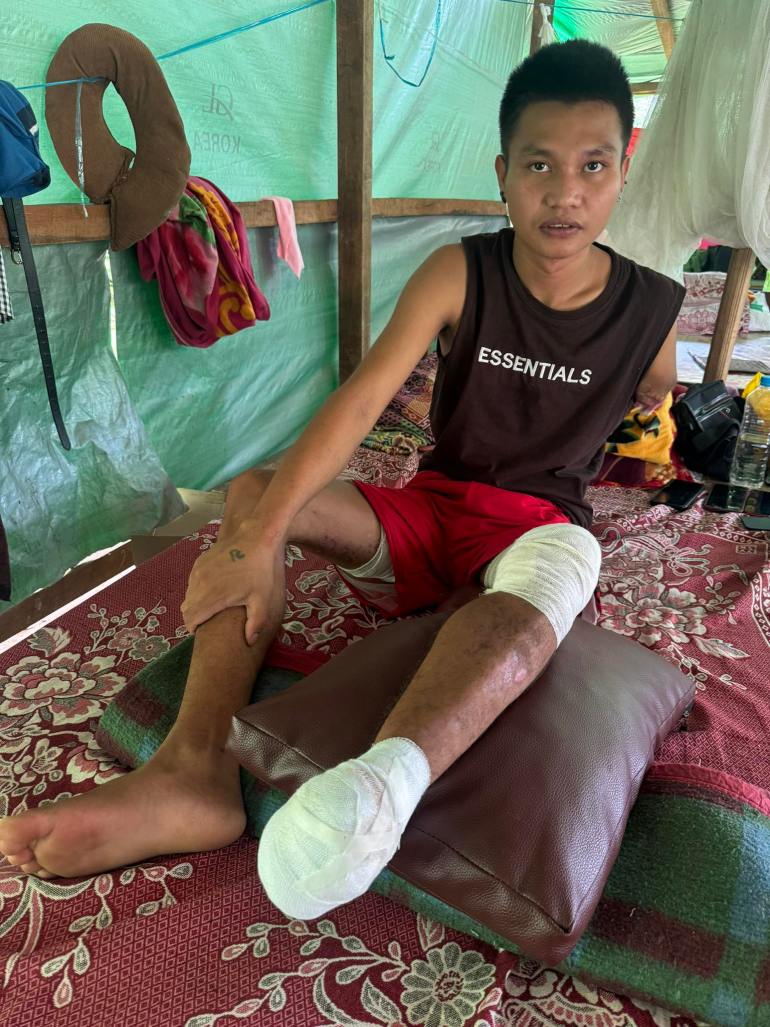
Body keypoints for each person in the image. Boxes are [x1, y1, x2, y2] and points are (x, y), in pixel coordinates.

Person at [0, 40, 684, 919]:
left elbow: (657, 399)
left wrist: (647, 424)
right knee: (252, 495)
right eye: (539, 165)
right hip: (429, 519)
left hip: (532, 541)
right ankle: (192, 769)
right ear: (503, 174)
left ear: (623, 170)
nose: (566, 192)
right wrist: (251, 542)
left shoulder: (654, 309)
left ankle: (383, 784)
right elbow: (362, 403)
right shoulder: (460, 270)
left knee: (575, 553)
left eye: (593, 165)